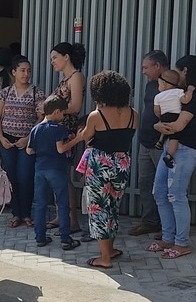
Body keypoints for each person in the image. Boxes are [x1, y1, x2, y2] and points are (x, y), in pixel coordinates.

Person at [61, 71, 137, 269]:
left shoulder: (97, 115)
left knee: (98, 210)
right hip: (122, 163)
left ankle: (104, 258)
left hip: (100, 165)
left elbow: (86, 136)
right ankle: (110, 249)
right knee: (112, 208)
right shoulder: (134, 114)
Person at [149, 55, 196, 260]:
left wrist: (157, 126)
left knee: (176, 194)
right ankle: (168, 238)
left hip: (186, 150)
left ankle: (181, 243)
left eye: (179, 70)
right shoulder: (181, 94)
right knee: (159, 192)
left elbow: (177, 126)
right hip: (172, 147)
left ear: (186, 71)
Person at [0, 55, 46, 229]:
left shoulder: (37, 93)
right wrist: (1, 138)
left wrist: (28, 138)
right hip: (7, 140)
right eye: (22, 70)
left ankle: (26, 213)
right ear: (14, 72)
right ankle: (16, 213)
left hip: (27, 141)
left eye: (28, 70)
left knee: (25, 177)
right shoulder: (5, 92)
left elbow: (41, 117)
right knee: (11, 177)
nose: (26, 74)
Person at [28, 95, 81, 250]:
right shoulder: (59, 129)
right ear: (57, 111)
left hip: (40, 170)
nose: (63, 117)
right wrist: (77, 139)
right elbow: (61, 148)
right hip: (56, 169)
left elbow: (29, 150)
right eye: (63, 113)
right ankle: (65, 238)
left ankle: (40, 237)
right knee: (63, 203)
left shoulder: (35, 129)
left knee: (40, 204)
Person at [129, 50, 170, 236]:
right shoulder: (150, 85)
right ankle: (149, 222)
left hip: (161, 144)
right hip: (145, 142)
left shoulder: (171, 86)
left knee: (164, 186)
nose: (143, 71)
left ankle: (168, 226)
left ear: (157, 66)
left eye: (146, 67)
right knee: (145, 183)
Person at [48, 42, 86, 234]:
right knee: (57, 176)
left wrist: (51, 110)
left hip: (66, 131)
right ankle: (60, 215)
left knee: (62, 176)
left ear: (66, 57)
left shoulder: (76, 77)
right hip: (57, 130)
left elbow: (76, 106)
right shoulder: (65, 79)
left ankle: (71, 220)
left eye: (55, 57)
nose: (52, 61)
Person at [152, 69, 193, 167]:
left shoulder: (158, 96)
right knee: (174, 137)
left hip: (164, 115)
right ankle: (170, 155)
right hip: (175, 116)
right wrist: (190, 91)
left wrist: (160, 117)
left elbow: (156, 110)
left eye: (159, 84)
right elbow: (185, 101)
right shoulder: (179, 91)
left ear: (164, 84)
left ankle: (160, 141)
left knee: (164, 127)